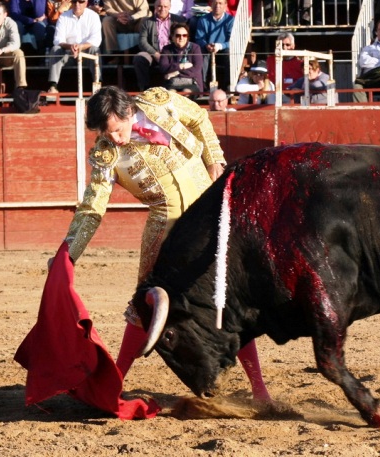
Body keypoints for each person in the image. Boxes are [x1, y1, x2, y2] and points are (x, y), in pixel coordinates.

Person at [58, 85, 271, 403]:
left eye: (116, 130)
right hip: (165, 230)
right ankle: (116, 380)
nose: (114, 139)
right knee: (145, 306)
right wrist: (69, 251)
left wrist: (214, 157)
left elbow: (199, 116)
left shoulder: (160, 102)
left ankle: (260, 390)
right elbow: (92, 208)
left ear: (128, 113)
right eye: (106, 134)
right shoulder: (106, 155)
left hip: (208, 214)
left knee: (226, 301)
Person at [47, 0, 102, 93]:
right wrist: (70, 46)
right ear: (71, 3)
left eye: (80, 1)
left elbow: (96, 40)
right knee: (55, 49)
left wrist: (81, 47)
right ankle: (53, 86)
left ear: (86, 3)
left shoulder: (94, 16)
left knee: (95, 49)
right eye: (74, 1)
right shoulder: (63, 16)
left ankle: (98, 86)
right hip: (68, 54)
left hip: (86, 54)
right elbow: (57, 40)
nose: (77, 4)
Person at [134, 0, 185, 91]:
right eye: (159, 6)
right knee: (140, 58)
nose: (162, 9)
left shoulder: (178, 20)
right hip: (153, 54)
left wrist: (168, 53)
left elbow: (183, 40)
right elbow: (142, 41)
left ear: (170, 7)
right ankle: (144, 89)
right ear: (155, 7)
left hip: (172, 53)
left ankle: (174, 88)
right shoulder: (147, 21)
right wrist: (155, 53)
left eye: (165, 6)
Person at [195, 0, 233, 90]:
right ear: (211, 4)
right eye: (215, 3)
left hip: (223, 49)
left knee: (229, 54)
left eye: (220, 3)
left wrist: (220, 46)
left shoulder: (230, 20)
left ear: (225, 5)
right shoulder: (203, 20)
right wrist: (206, 45)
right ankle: (202, 85)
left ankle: (227, 85)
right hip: (208, 48)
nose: (217, 6)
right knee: (202, 53)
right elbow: (199, 39)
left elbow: (232, 41)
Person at [158, 22, 203, 95]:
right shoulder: (166, 49)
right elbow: (163, 68)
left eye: (184, 35)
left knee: (185, 93)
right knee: (171, 94)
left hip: (192, 83)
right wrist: (181, 66)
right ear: (172, 37)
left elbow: (196, 69)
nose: (181, 38)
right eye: (178, 35)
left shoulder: (195, 48)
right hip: (172, 83)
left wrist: (175, 73)